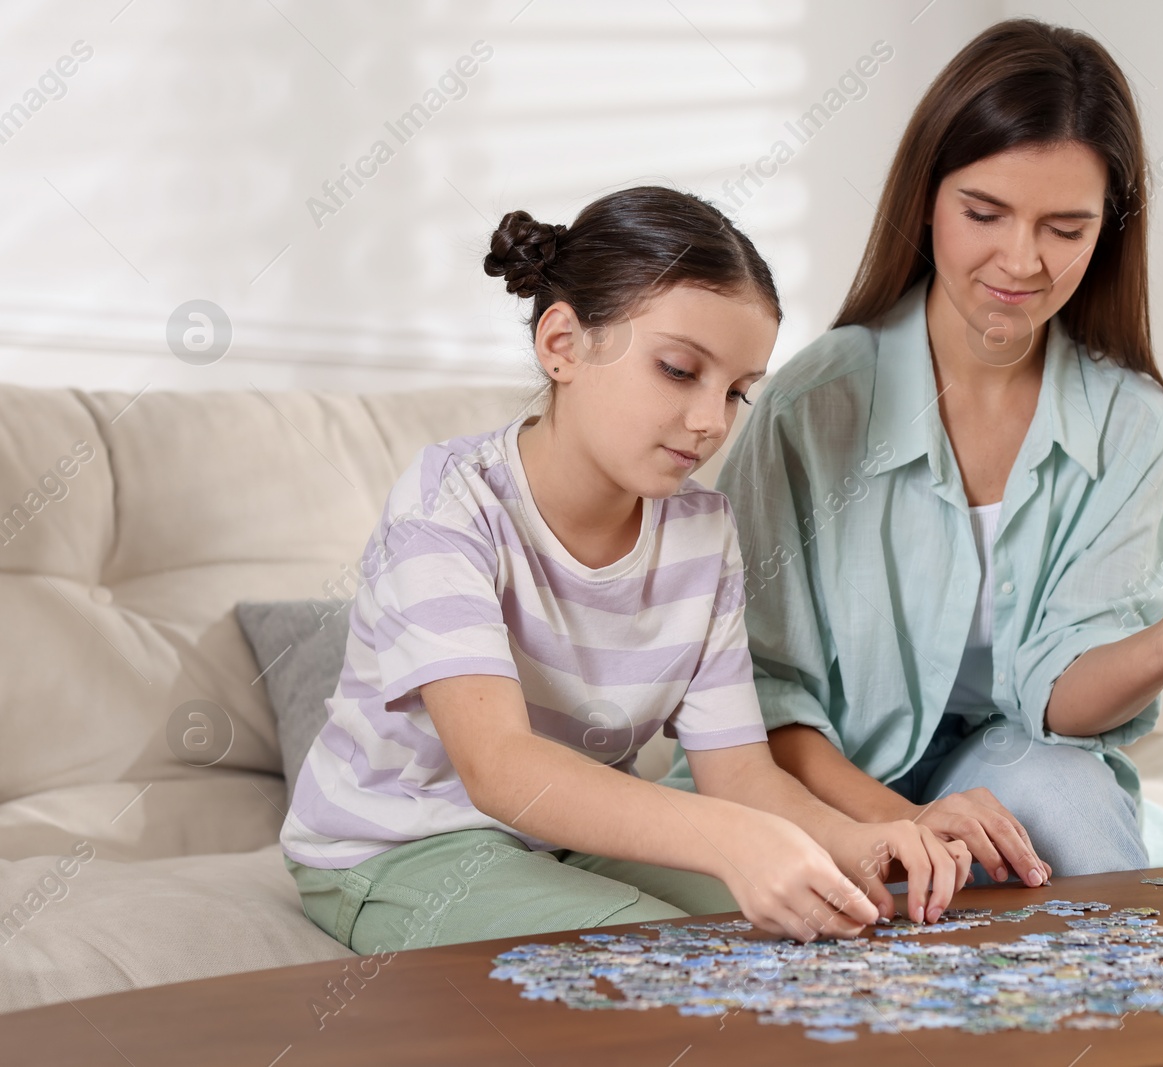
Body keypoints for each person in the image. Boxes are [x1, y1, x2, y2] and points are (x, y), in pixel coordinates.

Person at [666, 20, 1163, 883]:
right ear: (927, 198)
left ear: (1108, 232)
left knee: (1072, 805)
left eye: (1066, 228)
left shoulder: (1131, 419)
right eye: (985, 212)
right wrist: (909, 824)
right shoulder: (810, 405)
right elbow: (760, 694)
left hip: (1008, 763)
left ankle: (1138, 1015)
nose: (1022, 260)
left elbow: (1058, 696)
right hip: (822, 781)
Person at [280, 187, 971, 956]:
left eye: (738, 391)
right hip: (399, 848)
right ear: (563, 344)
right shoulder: (447, 505)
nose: (712, 420)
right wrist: (736, 841)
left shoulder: (703, 532)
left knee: (817, 934)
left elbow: (741, 775)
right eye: (679, 370)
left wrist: (864, 839)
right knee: (671, 959)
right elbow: (500, 768)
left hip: (567, 836)